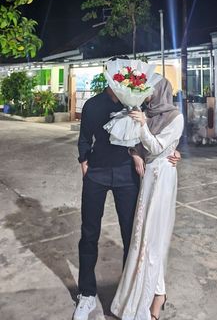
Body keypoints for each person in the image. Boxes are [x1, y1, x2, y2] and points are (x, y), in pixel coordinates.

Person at [73, 60, 181, 320]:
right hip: (97, 174)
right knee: (89, 233)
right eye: (118, 80)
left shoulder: (138, 104)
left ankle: (130, 292)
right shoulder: (93, 105)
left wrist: (175, 152)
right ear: (111, 79)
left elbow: (158, 131)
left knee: (131, 237)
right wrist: (84, 162)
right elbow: (85, 137)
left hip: (128, 177)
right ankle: (86, 294)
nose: (122, 84)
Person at [111, 78, 184, 320]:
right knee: (142, 237)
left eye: (152, 90)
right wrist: (134, 153)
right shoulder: (149, 114)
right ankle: (155, 294)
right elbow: (137, 145)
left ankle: (155, 298)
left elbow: (156, 147)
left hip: (163, 177)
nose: (149, 95)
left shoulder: (175, 116)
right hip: (149, 179)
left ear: (162, 90)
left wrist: (143, 126)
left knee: (153, 240)